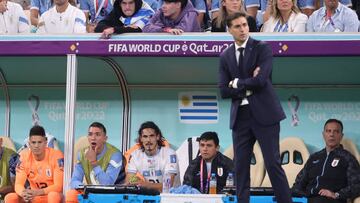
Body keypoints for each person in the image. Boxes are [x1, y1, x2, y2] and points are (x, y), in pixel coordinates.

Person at [218, 12, 292, 203]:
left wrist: (236, 83)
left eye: (244, 25)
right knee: (241, 167)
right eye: (237, 26)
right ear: (229, 30)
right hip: (240, 117)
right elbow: (223, 91)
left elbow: (260, 81)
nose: (243, 29)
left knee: (273, 163)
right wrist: (245, 84)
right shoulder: (225, 56)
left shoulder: (262, 48)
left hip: (265, 115)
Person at [292, 119, 360, 203]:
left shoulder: (347, 158)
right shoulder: (314, 157)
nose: (331, 134)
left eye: (336, 131)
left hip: (331, 200)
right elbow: (299, 183)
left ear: (341, 136)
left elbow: (356, 186)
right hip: (308, 199)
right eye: (328, 131)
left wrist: (336, 194)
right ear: (323, 134)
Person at [65, 122, 125, 203]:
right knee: (71, 194)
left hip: (113, 195)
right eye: (90, 134)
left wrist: (94, 162)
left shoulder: (115, 154)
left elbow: (108, 184)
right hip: (91, 193)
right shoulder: (82, 154)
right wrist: (85, 187)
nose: (93, 138)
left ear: (105, 138)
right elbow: (74, 181)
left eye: (97, 134)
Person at [5, 125, 64, 203]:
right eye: (33, 142)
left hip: (49, 195)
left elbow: (58, 186)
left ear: (45, 142)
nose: (36, 146)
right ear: (29, 143)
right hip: (32, 196)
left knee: (53, 196)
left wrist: (38, 192)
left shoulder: (57, 156)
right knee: (10, 197)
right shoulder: (24, 156)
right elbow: (18, 184)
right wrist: (24, 193)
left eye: (40, 142)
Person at [125, 121, 179, 192]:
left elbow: (167, 186)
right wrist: (134, 182)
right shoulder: (135, 155)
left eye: (152, 136)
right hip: (149, 195)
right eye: (145, 136)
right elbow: (129, 180)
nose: (148, 140)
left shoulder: (170, 154)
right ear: (141, 139)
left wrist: (145, 185)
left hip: (172, 197)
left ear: (158, 137)